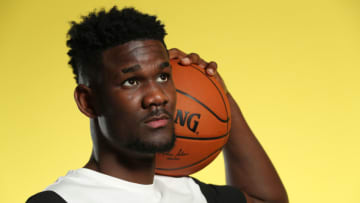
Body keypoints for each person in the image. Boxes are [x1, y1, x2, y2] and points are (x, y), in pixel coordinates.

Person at [26, 6, 288, 203]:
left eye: (163, 76)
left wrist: (218, 94)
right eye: (131, 81)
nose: (157, 96)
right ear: (88, 102)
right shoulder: (64, 200)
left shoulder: (189, 192)